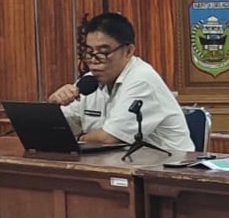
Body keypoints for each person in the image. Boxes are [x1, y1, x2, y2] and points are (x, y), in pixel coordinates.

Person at [48, 12, 194, 153]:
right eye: (89, 52)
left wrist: (78, 138)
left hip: (167, 165)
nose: (94, 61)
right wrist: (54, 106)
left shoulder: (142, 80)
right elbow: (60, 128)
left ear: (128, 51)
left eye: (103, 53)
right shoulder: (89, 81)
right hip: (117, 163)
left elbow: (109, 138)